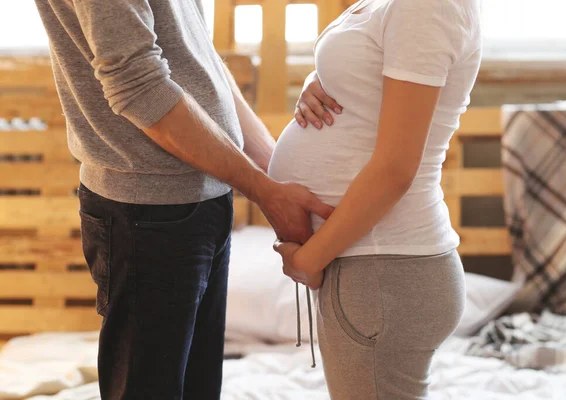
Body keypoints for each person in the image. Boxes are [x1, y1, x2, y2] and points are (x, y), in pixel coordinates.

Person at [34, 1, 333, 399]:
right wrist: (265, 191)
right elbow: (138, 86)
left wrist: (274, 175)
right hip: (147, 213)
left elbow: (196, 57)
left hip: (204, 198)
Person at [270, 0, 482, 398]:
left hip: (383, 271)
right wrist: (323, 80)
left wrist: (307, 261)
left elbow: (395, 170)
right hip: (374, 266)